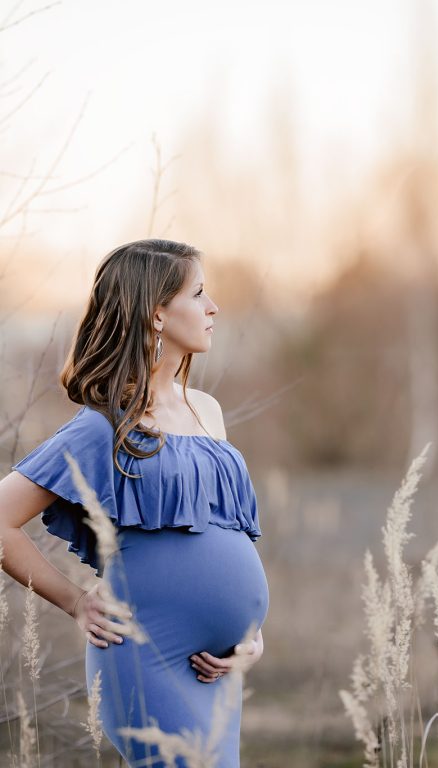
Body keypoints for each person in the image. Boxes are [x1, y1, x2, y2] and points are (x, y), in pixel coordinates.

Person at [0, 239, 270, 767]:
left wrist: (250, 634)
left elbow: (223, 534)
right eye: (198, 294)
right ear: (157, 315)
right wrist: (75, 601)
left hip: (217, 672)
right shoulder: (105, 425)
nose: (213, 307)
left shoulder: (206, 411)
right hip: (149, 659)